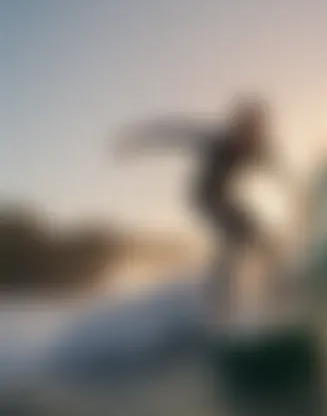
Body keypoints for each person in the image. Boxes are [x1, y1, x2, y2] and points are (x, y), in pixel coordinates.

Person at [114, 95, 292, 322]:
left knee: (261, 237)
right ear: (237, 126)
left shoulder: (260, 149)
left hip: (226, 198)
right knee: (237, 237)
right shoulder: (217, 141)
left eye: (254, 129)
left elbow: (283, 174)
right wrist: (133, 142)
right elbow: (171, 133)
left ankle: (277, 293)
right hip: (203, 196)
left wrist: (298, 197)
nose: (247, 134)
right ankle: (220, 305)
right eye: (243, 127)